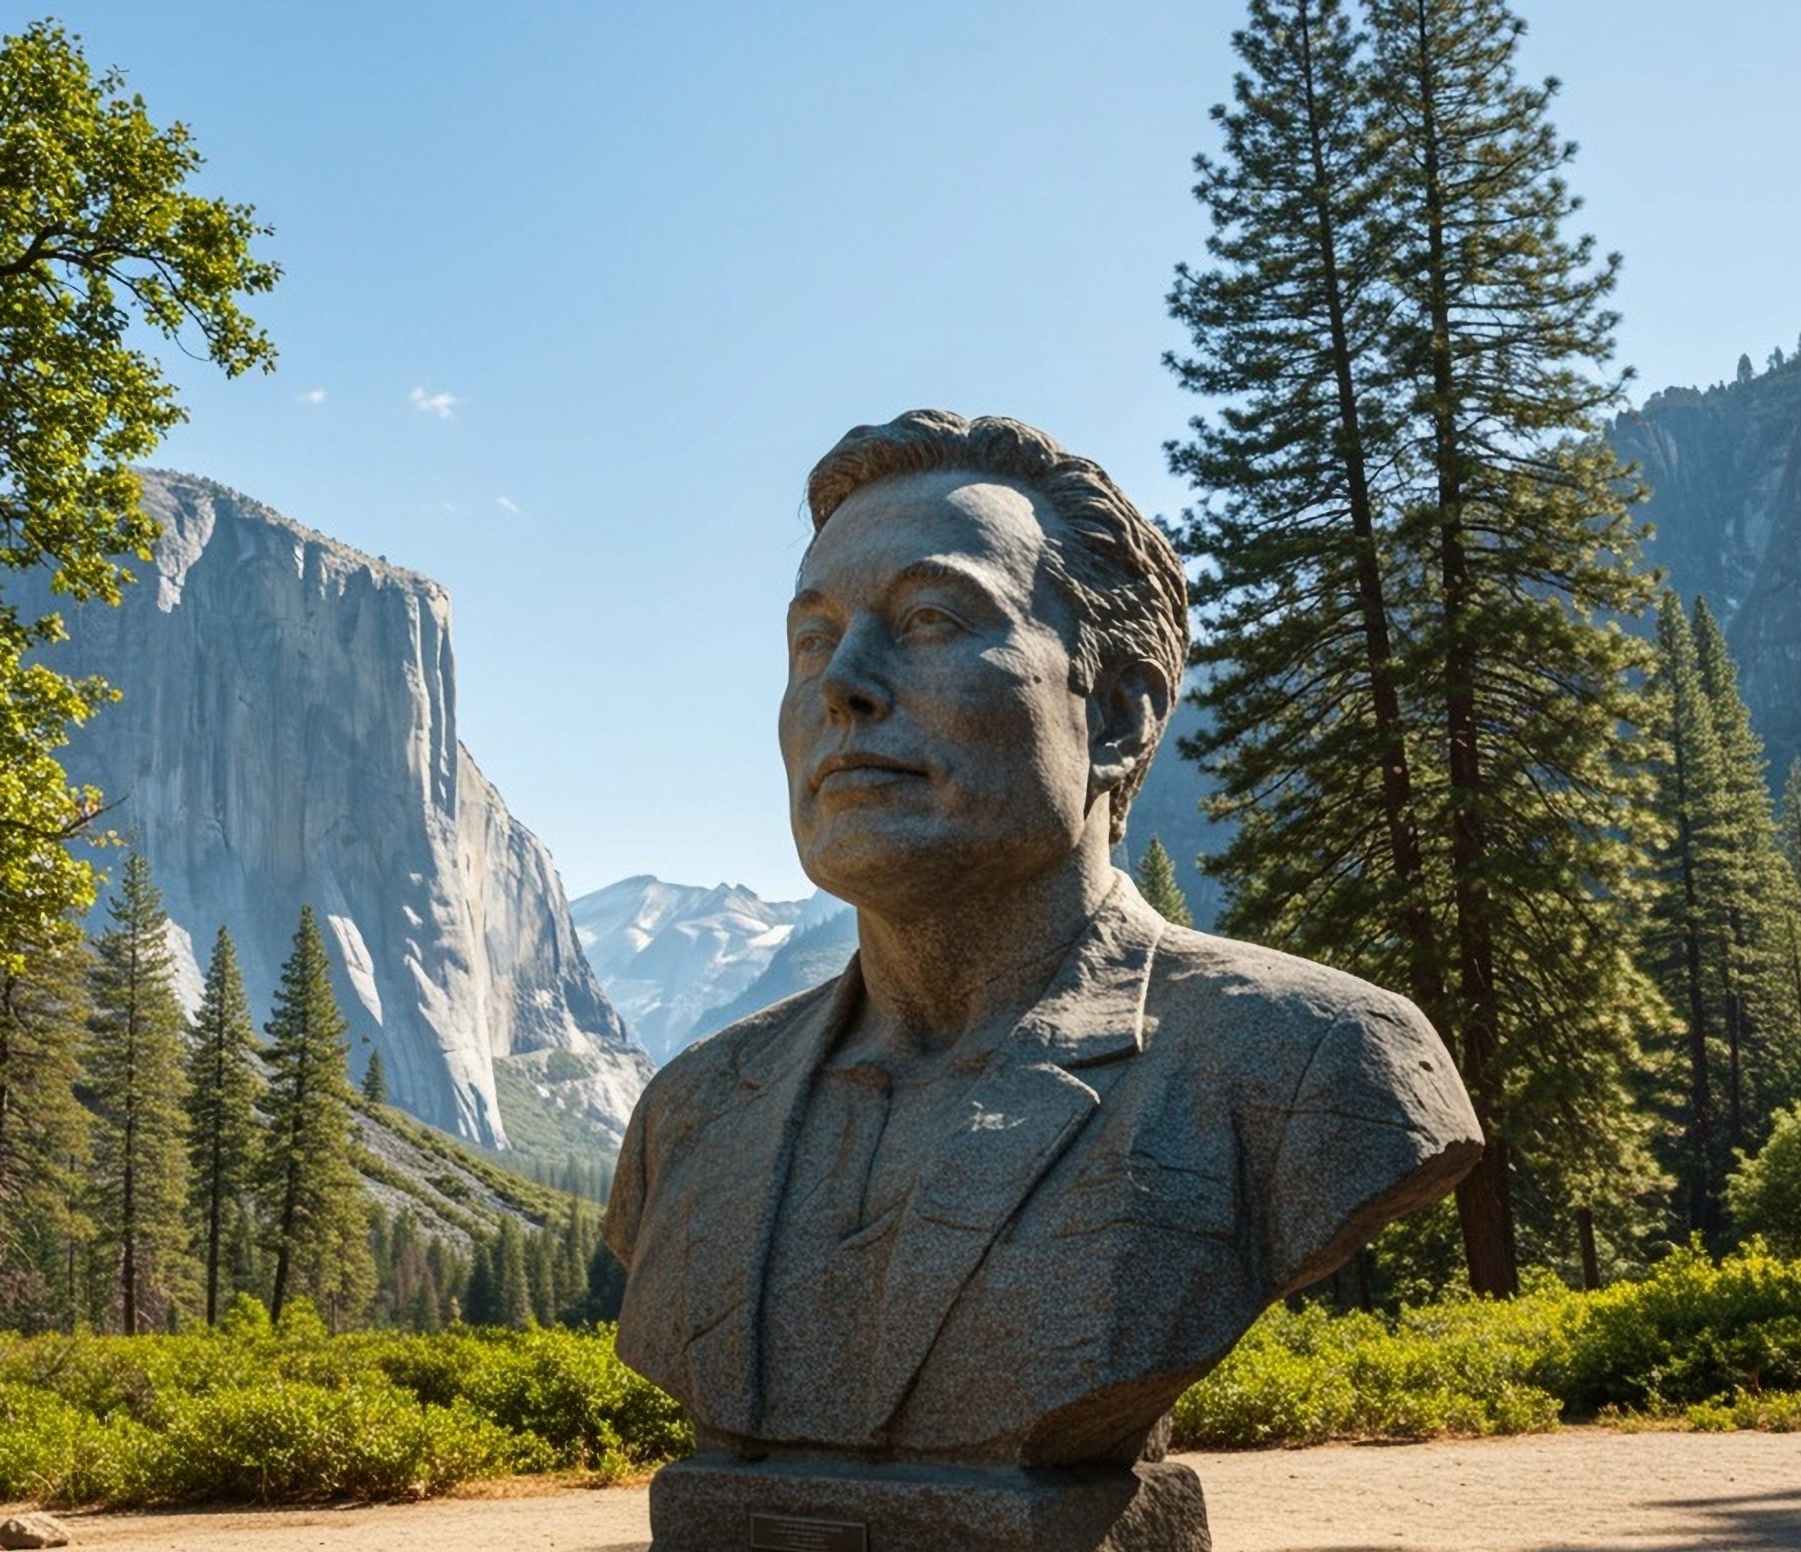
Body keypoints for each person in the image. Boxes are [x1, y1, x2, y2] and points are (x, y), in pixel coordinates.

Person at [605, 410, 1479, 1470]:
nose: (843, 682)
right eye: (812, 638)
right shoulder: (690, 1113)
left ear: (1116, 716)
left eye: (931, 618)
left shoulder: (1311, 1062)